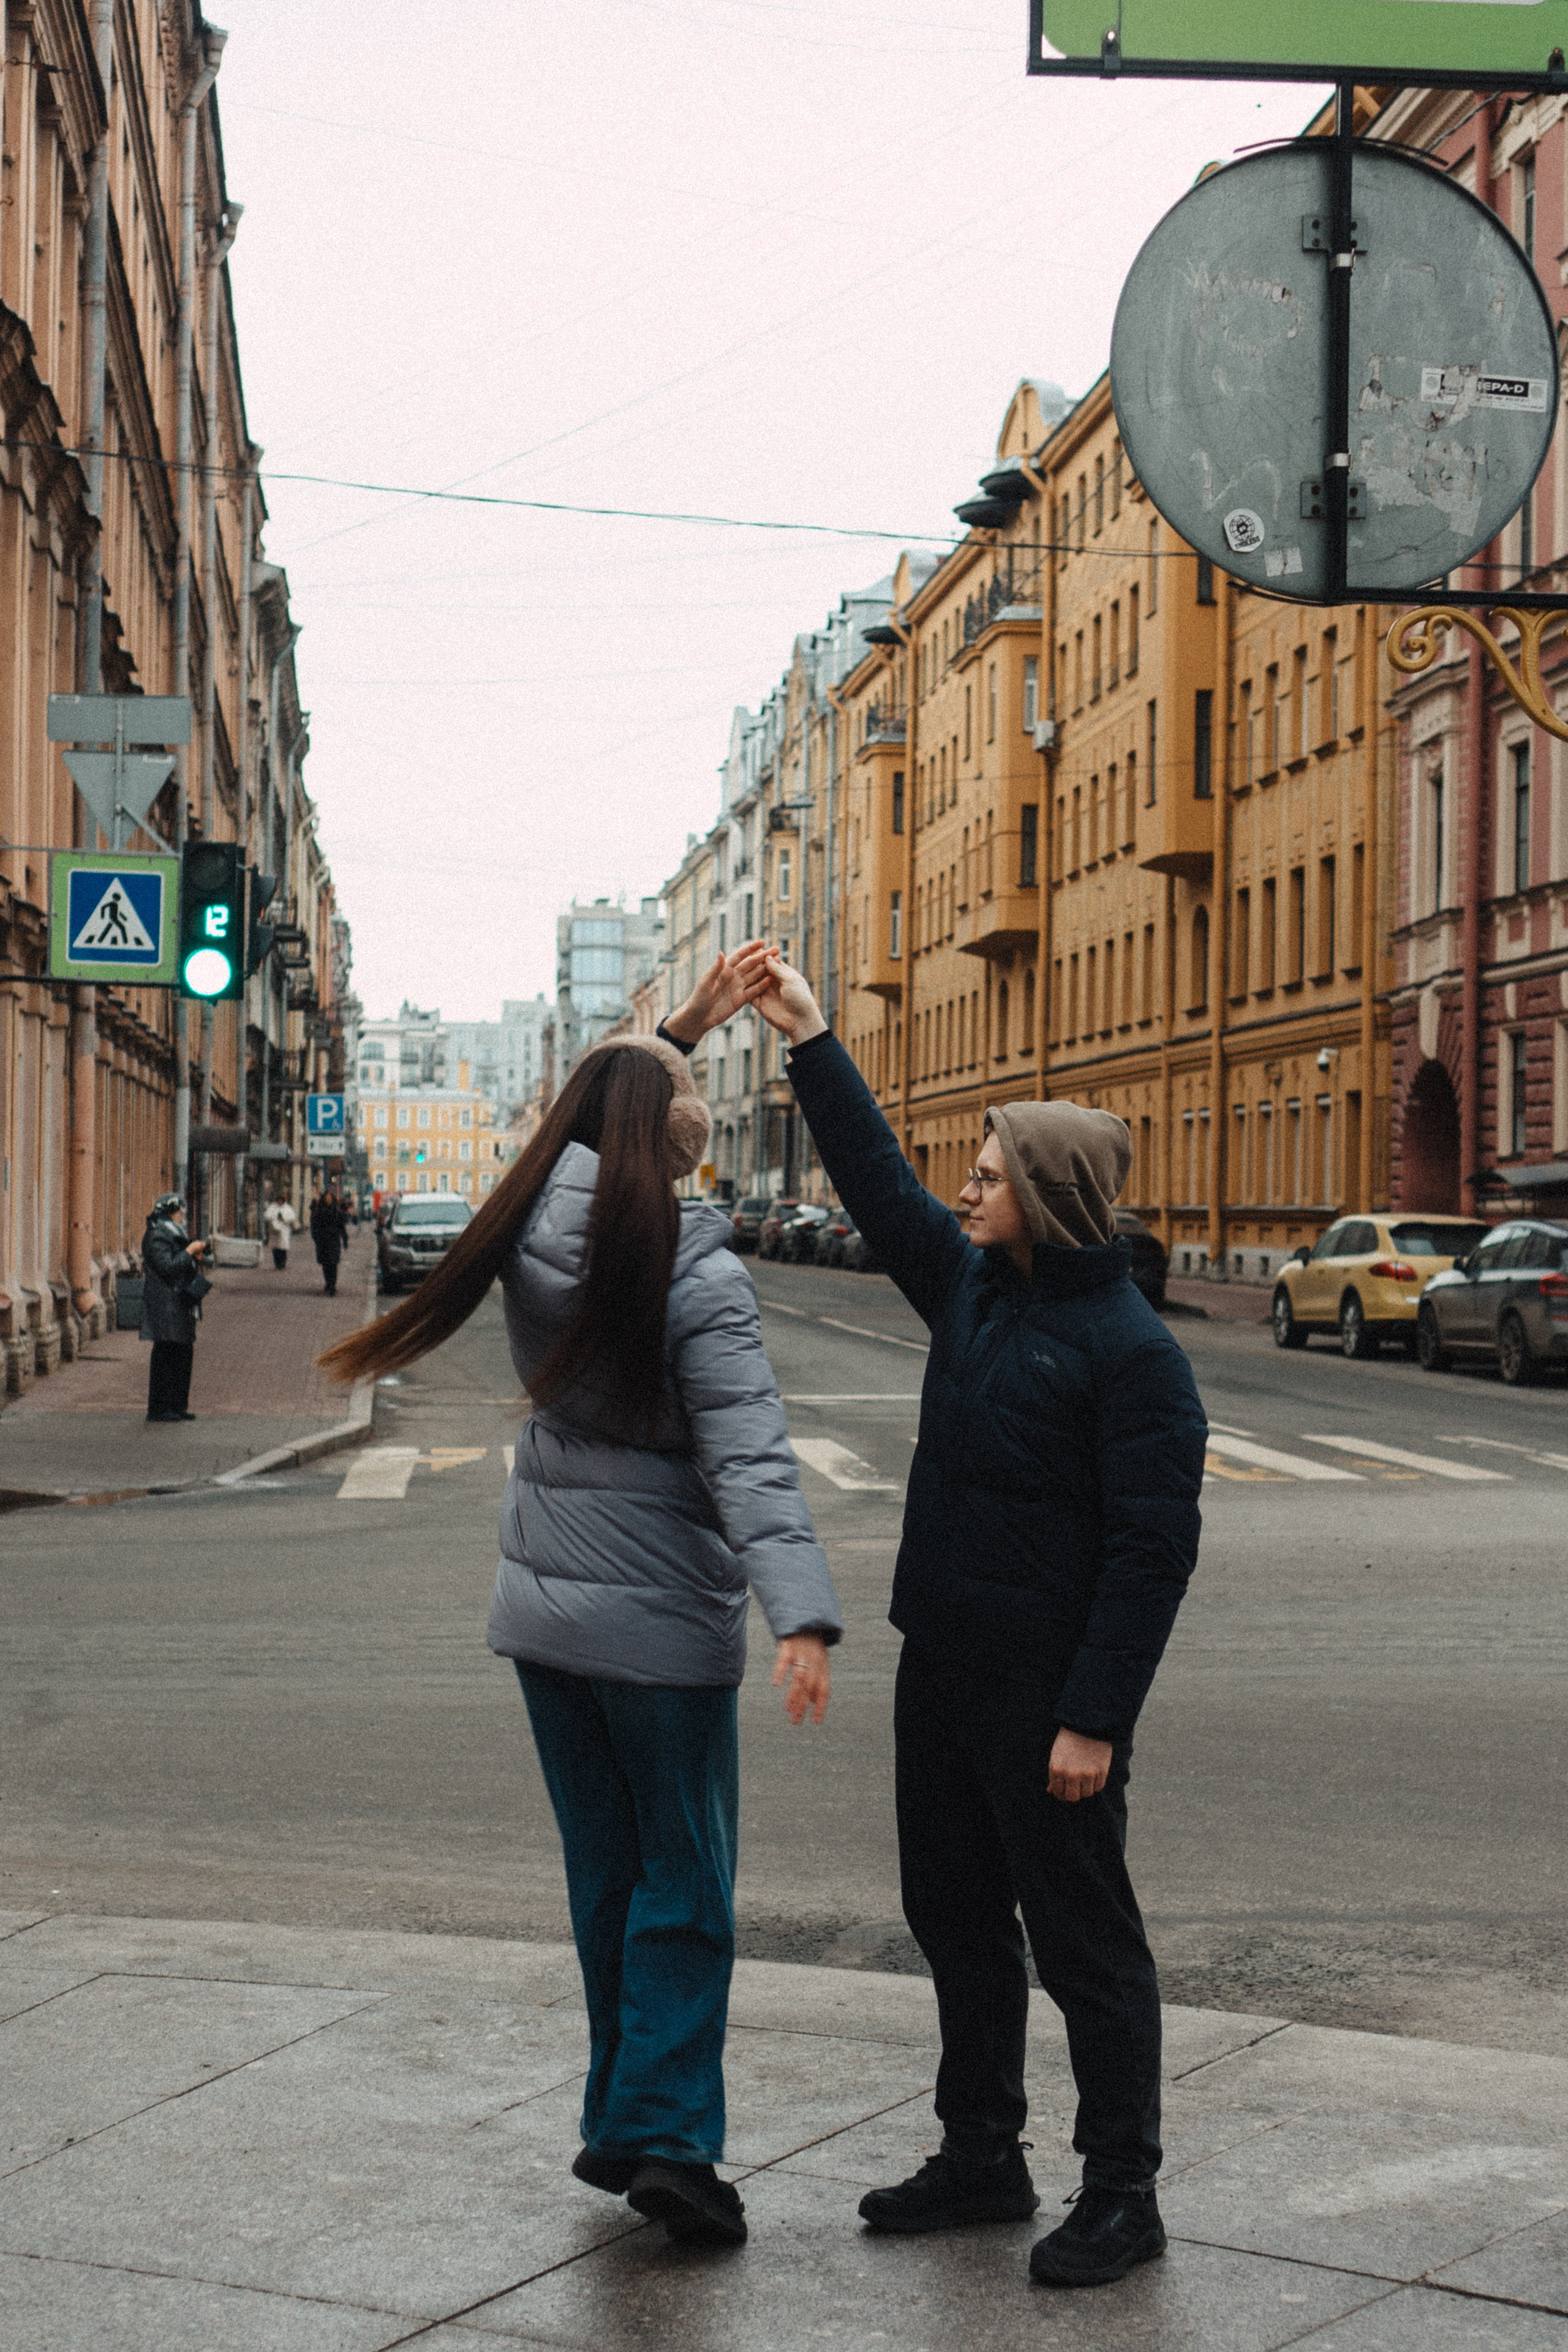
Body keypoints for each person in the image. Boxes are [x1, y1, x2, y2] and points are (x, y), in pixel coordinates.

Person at [320, 960, 842, 2251]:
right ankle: (669, 2140)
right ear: (682, 1145)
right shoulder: (692, 1268)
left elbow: (591, 1115)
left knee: (609, 1877)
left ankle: (622, 2117)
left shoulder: (525, 1231)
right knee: (686, 1884)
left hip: (546, 1623)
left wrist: (671, 1034)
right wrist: (801, 1613)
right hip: (659, 1630)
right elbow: (749, 1456)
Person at [727, 943, 1206, 2292]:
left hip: (1047, 1699)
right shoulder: (976, 1294)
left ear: (1043, 1198)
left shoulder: (1135, 1356)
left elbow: (1152, 1555)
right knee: (951, 1917)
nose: (966, 1190)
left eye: (988, 1177)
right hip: (940, 1667)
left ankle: (1122, 2194)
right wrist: (811, 1038)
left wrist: (1092, 1719)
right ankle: (983, 2155)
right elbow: (880, 1187)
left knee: (1086, 1949)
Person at [139, 1193, 212, 1423]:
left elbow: (178, 1262)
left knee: (183, 1354)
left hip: (181, 1302)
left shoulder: (173, 1233)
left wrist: (194, 1256)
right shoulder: (156, 1236)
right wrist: (189, 1252)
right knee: (166, 1355)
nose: (183, 1216)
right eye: (180, 1213)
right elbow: (168, 1267)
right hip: (166, 1304)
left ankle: (178, 1406)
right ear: (169, 1213)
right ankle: (159, 1409)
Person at [309, 1186, 349, 1297]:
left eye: (330, 1199)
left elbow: (342, 1227)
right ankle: (328, 1282)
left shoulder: (337, 1212)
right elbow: (314, 1227)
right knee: (326, 1264)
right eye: (326, 1199)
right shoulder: (319, 1213)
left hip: (334, 1241)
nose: (328, 1200)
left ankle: (332, 1285)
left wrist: (345, 1240)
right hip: (323, 1241)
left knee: (334, 1263)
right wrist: (316, 1238)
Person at [263, 1193, 297, 1270]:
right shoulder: (273, 1207)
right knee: (275, 1248)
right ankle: (277, 1264)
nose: (280, 1202)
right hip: (274, 1230)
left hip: (284, 1230)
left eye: (281, 1200)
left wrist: (284, 1218)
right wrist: (273, 1218)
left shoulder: (288, 1208)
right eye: (279, 1200)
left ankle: (282, 1263)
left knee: (283, 1247)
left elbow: (292, 1217)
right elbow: (267, 1215)